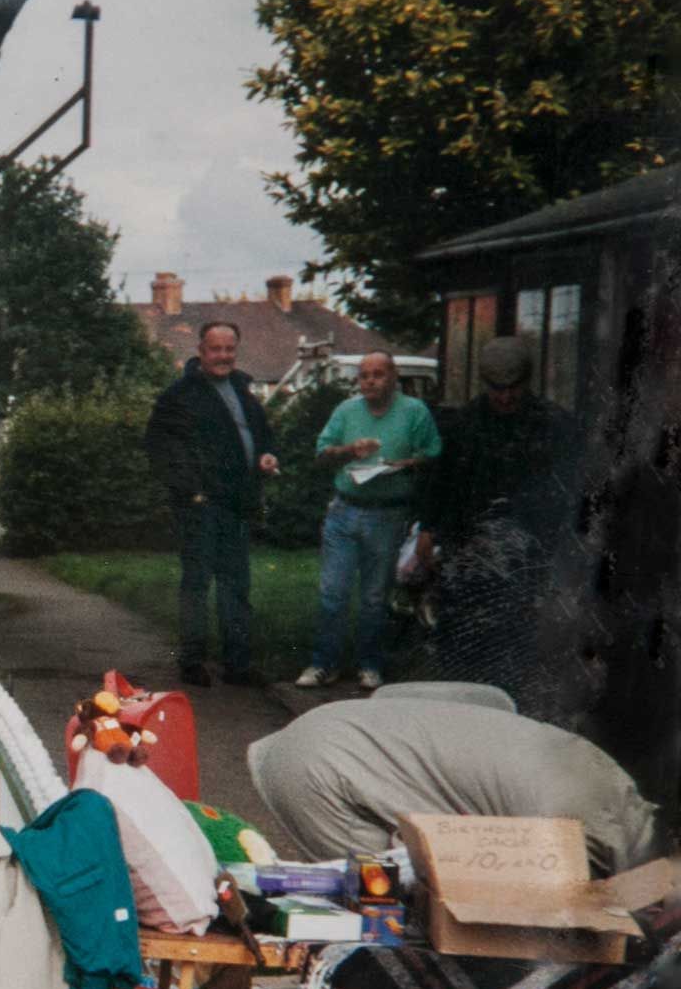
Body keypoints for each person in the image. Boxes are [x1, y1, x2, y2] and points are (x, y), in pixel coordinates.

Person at [247, 697, 667, 877]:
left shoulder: (603, 781)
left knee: (394, 897)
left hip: (327, 737)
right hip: (319, 764)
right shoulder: (598, 815)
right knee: (383, 911)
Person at [417, 335, 585, 717]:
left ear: (527, 382)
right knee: (461, 635)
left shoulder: (556, 425)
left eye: (513, 388)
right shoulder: (462, 425)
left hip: (528, 551)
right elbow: (439, 482)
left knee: (516, 636)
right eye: (496, 388)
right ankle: (464, 709)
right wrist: (427, 530)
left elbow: (570, 492)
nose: (505, 397)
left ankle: (509, 711)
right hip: (467, 548)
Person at [142, 322, 281, 688]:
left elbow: (262, 435)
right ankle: (192, 662)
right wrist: (191, 491)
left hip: (237, 504)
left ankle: (238, 665)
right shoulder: (180, 395)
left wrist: (266, 455)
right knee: (197, 584)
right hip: (200, 506)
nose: (223, 356)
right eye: (216, 349)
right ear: (201, 351)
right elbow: (159, 447)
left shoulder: (243, 390)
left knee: (236, 585)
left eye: (229, 349)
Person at [294, 351, 442, 692]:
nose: (370, 381)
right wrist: (349, 450)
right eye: (364, 375)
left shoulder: (414, 412)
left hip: (388, 514)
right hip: (345, 509)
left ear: (394, 377)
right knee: (333, 592)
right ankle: (323, 664)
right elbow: (321, 453)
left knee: (375, 596)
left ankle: (370, 665)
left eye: (378, 374)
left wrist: (403, 463)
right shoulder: (347, 411)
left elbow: (432, 456)